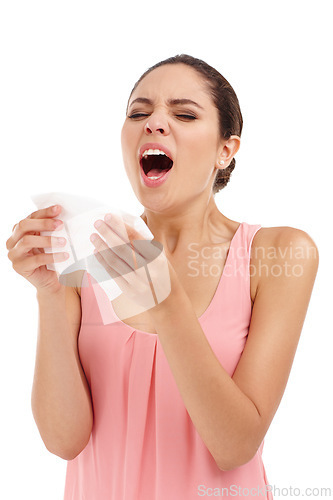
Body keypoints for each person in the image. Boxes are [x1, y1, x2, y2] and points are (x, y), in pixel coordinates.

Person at [6, 54, 319, 499]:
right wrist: (51, 293)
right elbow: (63, 440)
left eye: (184, 113)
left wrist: (167, 303)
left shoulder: (278, 253)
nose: (153, 123)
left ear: (225, 150)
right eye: (138, 112)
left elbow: (235, 446)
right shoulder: (86, 252)